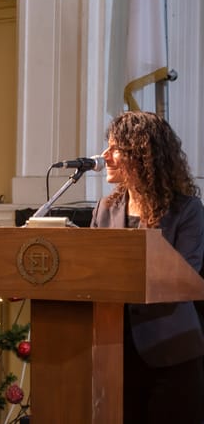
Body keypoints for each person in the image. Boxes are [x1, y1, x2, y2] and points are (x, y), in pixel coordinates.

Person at [91, 110, 204, 423]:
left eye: (115, 148)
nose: (105, 156)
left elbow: (187, 275)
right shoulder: (105, 208)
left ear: (142, 153)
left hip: (170, 350)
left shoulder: (187, 209)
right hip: (114, 350)